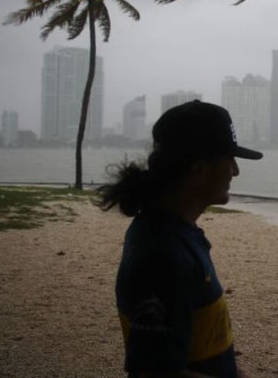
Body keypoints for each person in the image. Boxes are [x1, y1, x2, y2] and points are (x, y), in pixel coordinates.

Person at [99, 100, 262, 377]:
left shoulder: (173, 232)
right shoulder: (162, 256)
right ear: (198, 171)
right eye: (230, 160)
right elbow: (153, 373)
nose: (236, 170)